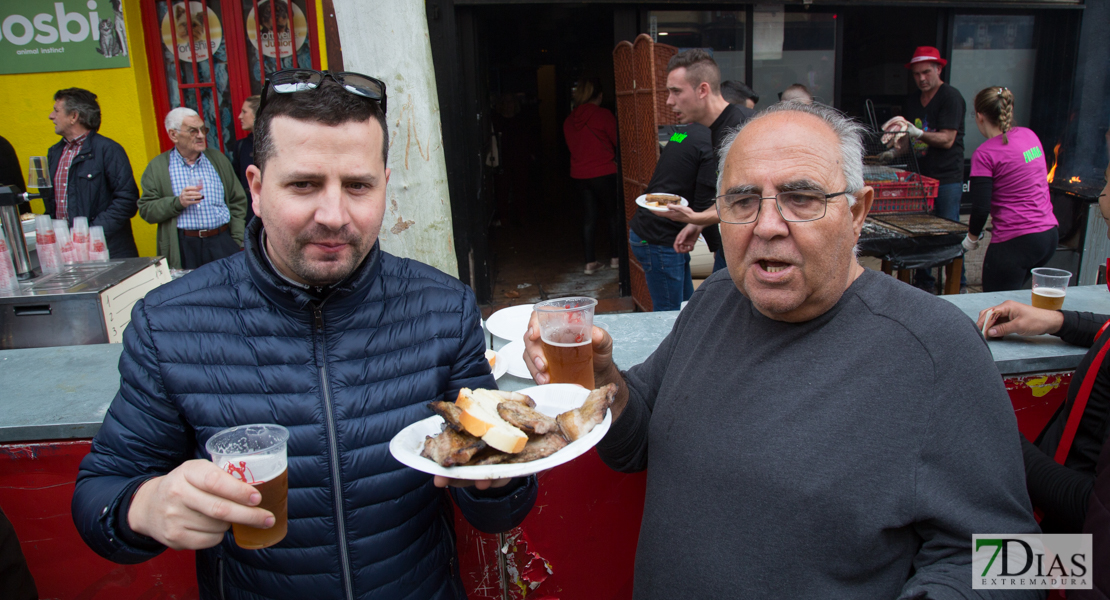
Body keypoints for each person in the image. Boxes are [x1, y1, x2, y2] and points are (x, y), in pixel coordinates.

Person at [524, 101, 1040, 598]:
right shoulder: (714, 301)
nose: (767, 226)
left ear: (857, 212)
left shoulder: (935, 347)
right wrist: (603, 378)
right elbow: (635, 445)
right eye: (743, 201)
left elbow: (1017, 560)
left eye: (802, 197)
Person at [72, 71, 537, 599]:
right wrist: (143, 508)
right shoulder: (170, 322)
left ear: (385, 183)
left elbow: (500, 503)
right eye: (303, 185)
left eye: (358, 186)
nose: (334, 215)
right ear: (255, 186)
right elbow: (99, 494)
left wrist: (500, 481)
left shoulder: (442, 308)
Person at [975, 159, 1110, 537]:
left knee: (973, 566)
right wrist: (1057, 321)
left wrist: (999, 433)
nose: (1100, 196)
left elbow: (1093, 510)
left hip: (1075, 563)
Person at [883, 46, 968, 293]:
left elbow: (948, 139)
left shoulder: (950, 97)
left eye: (926, 72)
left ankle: (957, 285)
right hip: (920, 175)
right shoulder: (912, 101)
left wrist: (918, 132)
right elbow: (907, 141)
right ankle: (924, 284)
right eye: (917, 74)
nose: (921, 78)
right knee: (920, 231)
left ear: (939, 69)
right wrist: (892, 151)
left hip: (947, 177)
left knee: (948, 230)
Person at [658, 50, 748, 273]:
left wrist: (698, 217)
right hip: (732, 245)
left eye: (676, 92)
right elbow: (730, 195)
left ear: (703, 90)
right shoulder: (716, 128)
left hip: (748, 250)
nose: (669, 101)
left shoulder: (740, 130)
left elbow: (751, 198)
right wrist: (698, 224)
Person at [963, 86, 1057, 292]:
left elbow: (980, 207)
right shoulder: (1030, 135)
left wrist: (971, 239)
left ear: (979, 116)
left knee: (995, 307)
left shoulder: (985, 154)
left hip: (1016, 242)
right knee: (1017, 302)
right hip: (1048, 236)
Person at [138, 107, 247, 270]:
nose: (201, 135)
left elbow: (237, 200)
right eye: (193, 131)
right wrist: (178, 202)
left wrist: (236, 238)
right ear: (173, 135)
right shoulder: (158, 167)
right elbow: (146, 210)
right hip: (184, 246)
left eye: (203, 129)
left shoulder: (218, 160)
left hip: (221, 241)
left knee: (228, 292)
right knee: (190, 294)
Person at [43, 88, 140, 258]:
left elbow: (127, 200)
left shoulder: (108, 150)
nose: (51, 116)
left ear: (74, 116)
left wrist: (90, 234)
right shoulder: (54, 152)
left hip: (106, 250)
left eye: (56, 111)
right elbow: (54, 205)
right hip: (67, 253)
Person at [628, 122, 715, 310]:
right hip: (660, 238)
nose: (670, 102)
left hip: (659, 233)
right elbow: (703, 205)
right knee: (670, 314)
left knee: (686, 309)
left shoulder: (685, 133)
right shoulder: (709, 143)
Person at [563, 77, 620, 274]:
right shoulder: (603, 115)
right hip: (604, 172)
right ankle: (615, 258)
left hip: (579, 174)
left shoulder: (569, 120)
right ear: (600, 96)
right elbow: (616, 141)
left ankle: (590, 262)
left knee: (589, 217)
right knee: (614, 214)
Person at [232, 95, 260, 227]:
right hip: (248, 215)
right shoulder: (240, 146)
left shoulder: (279, 143)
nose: (239, 116)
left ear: (257, 114)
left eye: (244, 112)